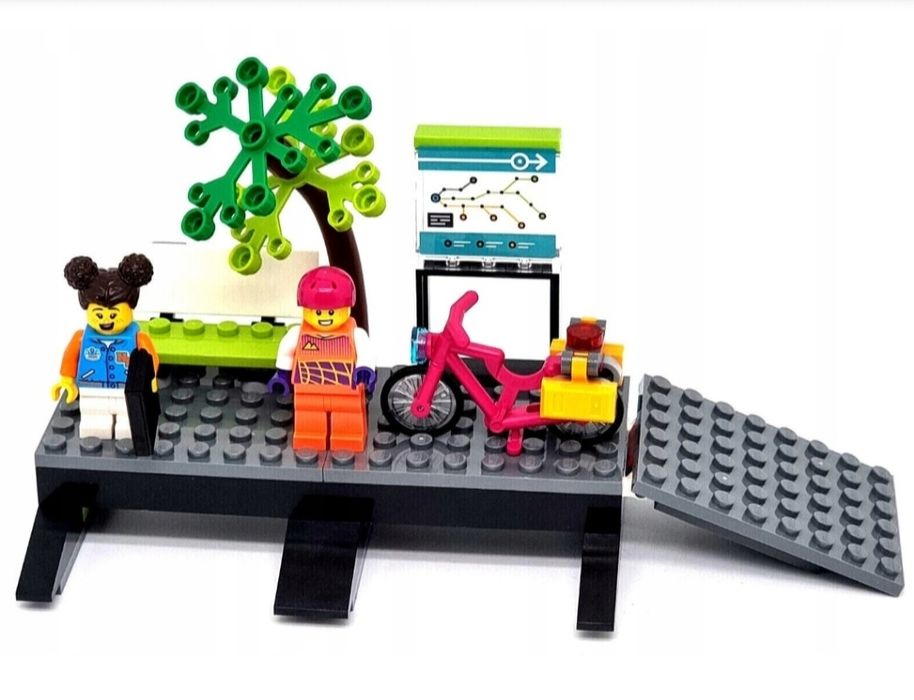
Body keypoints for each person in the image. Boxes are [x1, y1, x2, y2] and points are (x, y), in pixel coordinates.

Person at [52, 254, 158, 440]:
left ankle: (128, 433)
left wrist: (150, 378)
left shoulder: (137, 338)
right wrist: (67, 380)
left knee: (129, 420)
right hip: (92, 389)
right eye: (99, 314)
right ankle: (95, 436)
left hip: (128, 391)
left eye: (114, 314)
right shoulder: (81, 338)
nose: (106, 320)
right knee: (94, 421)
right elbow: (70, 358)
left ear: (130, 309)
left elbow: (151, 359)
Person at [269, 266, 375, 451]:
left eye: (332, 312)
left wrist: (365, 368)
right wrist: (282, 375)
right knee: (308, 415)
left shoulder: (355, 334)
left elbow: (366, 352)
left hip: (346, 387)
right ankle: (310, 437)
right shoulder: (297, 333)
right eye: (318, 312)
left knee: (348, 415)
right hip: (308, 387)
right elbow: (286, 352)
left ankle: (348, 438)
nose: (325, 317)